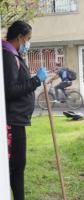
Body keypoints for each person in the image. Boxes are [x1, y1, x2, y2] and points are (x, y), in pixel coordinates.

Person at [2, 20, 47, 200]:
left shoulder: (13, 56)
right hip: (12, 121)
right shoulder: (7, 56)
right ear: (19, 37)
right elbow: (10, 90)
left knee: (17, 166)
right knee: (15, 167)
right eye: (28, 39)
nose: (28, 43)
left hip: (18, 119)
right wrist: (36, 80)